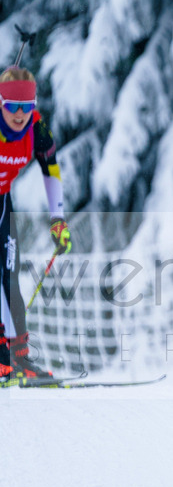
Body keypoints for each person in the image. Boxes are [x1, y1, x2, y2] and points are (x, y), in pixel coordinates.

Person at [0, 66, 71, 382]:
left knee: (9, 273)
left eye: (26, 107)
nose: (19, 114)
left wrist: (57, 220)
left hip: (2, 201)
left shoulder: (37, 130)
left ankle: (18, 358)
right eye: (12, 106)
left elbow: (51, 172)